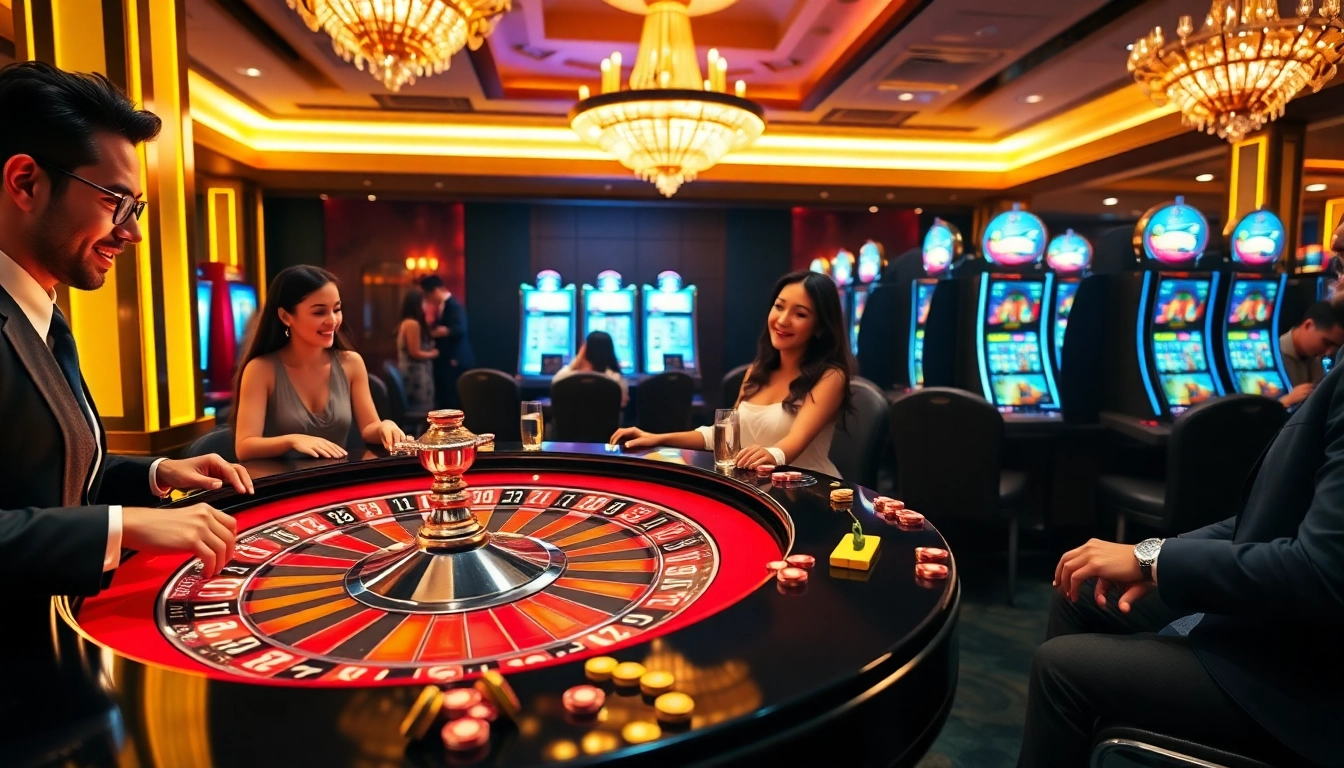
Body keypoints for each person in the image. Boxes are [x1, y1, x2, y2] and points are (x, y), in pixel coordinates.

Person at [0, 61, 251, 740]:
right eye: (116, 200)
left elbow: (40, 476)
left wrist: (152, 476)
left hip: (56, 671)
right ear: (25, 182)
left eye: (134, 208)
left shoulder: (40, 311)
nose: (132, 231)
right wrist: (126, 526)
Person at [1018, 311, 1344, 767]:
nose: (1334, 240)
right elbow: (1265, 520)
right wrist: (1150, 554)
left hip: (1302, 676)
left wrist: (1160, 563)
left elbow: (1321, 573)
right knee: (1084, 590)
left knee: (1059, 668)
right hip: (1278, 615)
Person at [610, 271, 851, 476]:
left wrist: (770, 453)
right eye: (779, 307)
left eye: (800, 314)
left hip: (812, 495)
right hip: (761, 490)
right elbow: (725, 437)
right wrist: (656, 437)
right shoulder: (756, 372)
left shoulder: (830, 377)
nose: (783, 320)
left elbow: (793, 443)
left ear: (820, 326)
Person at [233, 265, 405, 461]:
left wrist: (385, 426)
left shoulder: (351, 363)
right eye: (319, 312)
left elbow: (368, 427)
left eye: (337, 309)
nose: (333, 320)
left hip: (333, 482)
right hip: (281, 487)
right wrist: (292, 440)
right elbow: (244, 446)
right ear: (286, 316)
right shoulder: (261, 369)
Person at [421, 274, 475, 409]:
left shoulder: (454, 305)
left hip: (455, 360)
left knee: (454, 401)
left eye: (427, 295)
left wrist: (444, 331)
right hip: (446, 362)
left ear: (435, 291)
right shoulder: (442, 306)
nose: (427, 299)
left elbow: (460, 328)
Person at [1278, 300, 1344, 406]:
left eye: (1335, 348)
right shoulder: (1271, 356)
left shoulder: (1314, 359)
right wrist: (1286, 401)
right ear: (1308, 325)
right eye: (1326, 343)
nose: (1328, 352)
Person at [554, 330, 628, 407]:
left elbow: (555, 384)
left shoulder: (564, 377)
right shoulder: (616, 380)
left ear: (585, 350)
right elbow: (622, 404)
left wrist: (577, 360)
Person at [396, 287, 438, 412]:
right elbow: (415, 352)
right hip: (417, 377)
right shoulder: (412, 324)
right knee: (425, 411)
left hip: (415, 374)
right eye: (424, 302)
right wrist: (434, 353)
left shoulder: (408, 322)